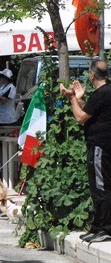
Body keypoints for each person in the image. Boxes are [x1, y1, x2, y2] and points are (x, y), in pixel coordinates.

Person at [60, 59, 111, 243]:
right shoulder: (105, 92)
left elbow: (81, 117)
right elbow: (89, 111)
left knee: (100, 187)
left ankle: (105, 228)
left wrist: (72, 98)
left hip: (100, 147)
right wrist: (80, 98)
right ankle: (98, 226)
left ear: (91, 75)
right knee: (100, 186)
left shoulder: (101, 93)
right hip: (103, 146)